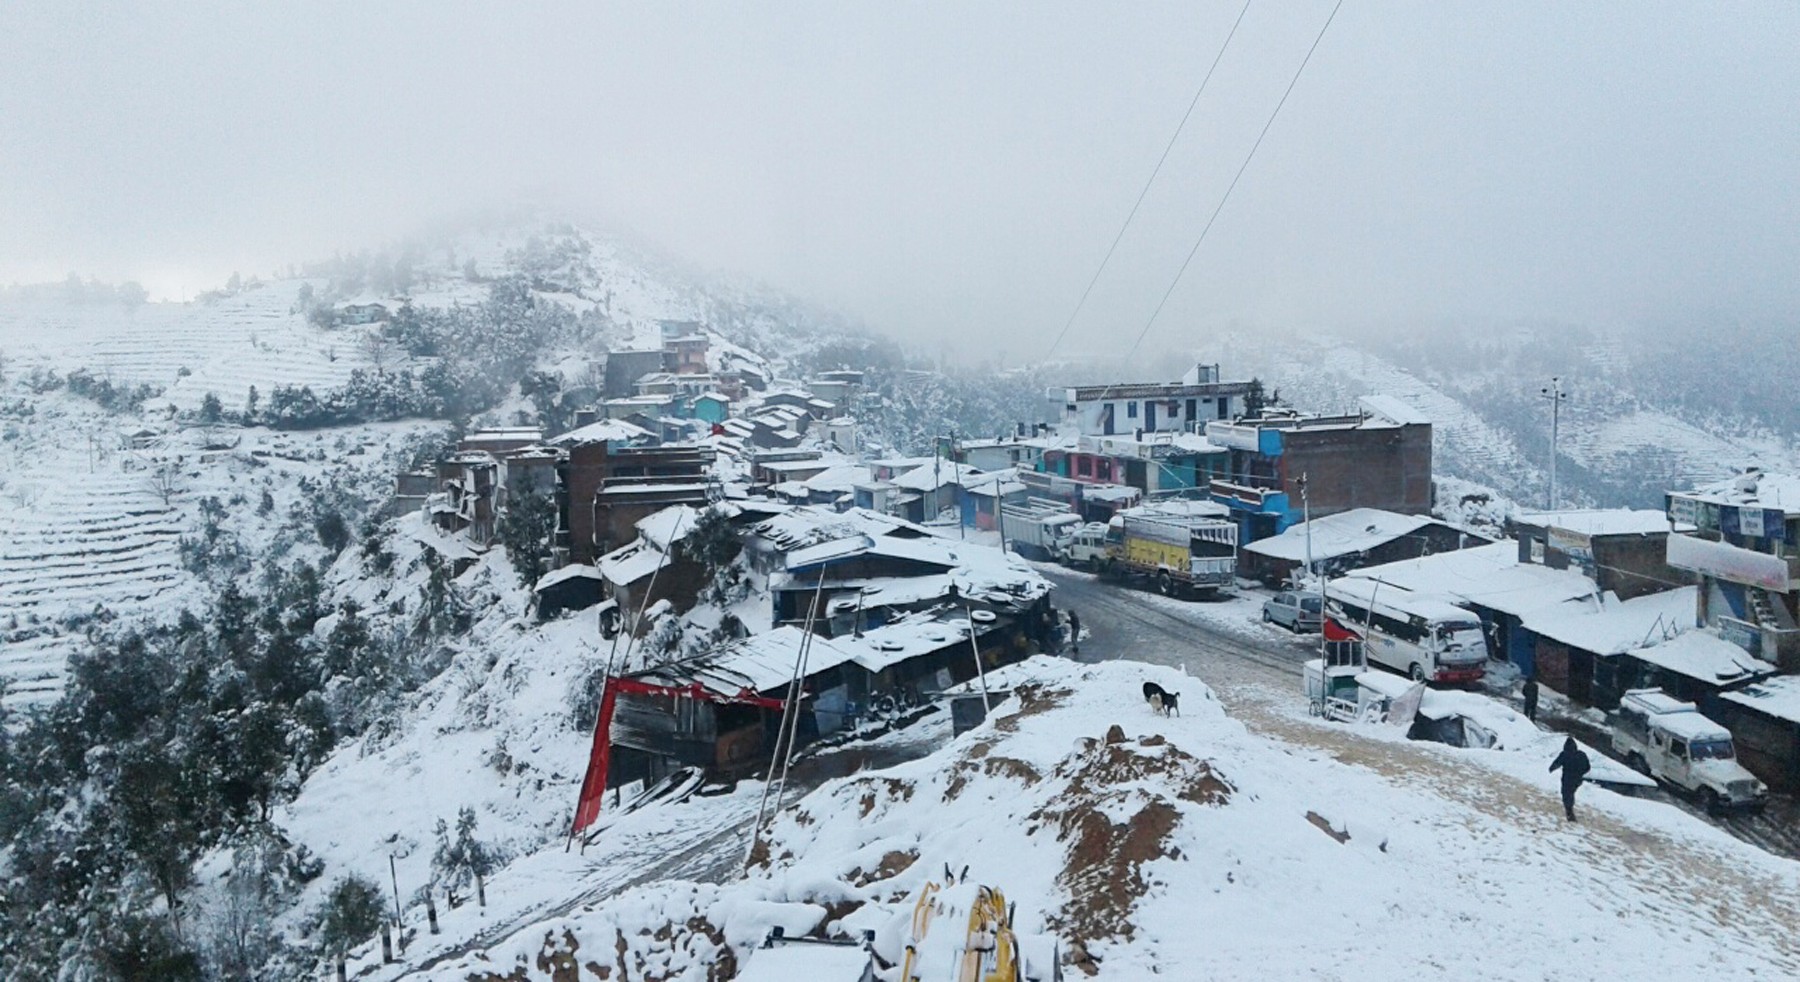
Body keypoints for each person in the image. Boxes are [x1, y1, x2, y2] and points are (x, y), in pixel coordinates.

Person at [1548, 737, 1591, 821]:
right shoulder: (1581, 754)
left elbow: (1557, 763)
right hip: (1578, 779)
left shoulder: (1565, 754)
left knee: (1566, 794)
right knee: (1571, 793)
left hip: (1567, 778)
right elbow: (1587, 767)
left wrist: (1551, 769)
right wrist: (1580, 773)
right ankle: (1570, 810)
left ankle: (1569, 811)